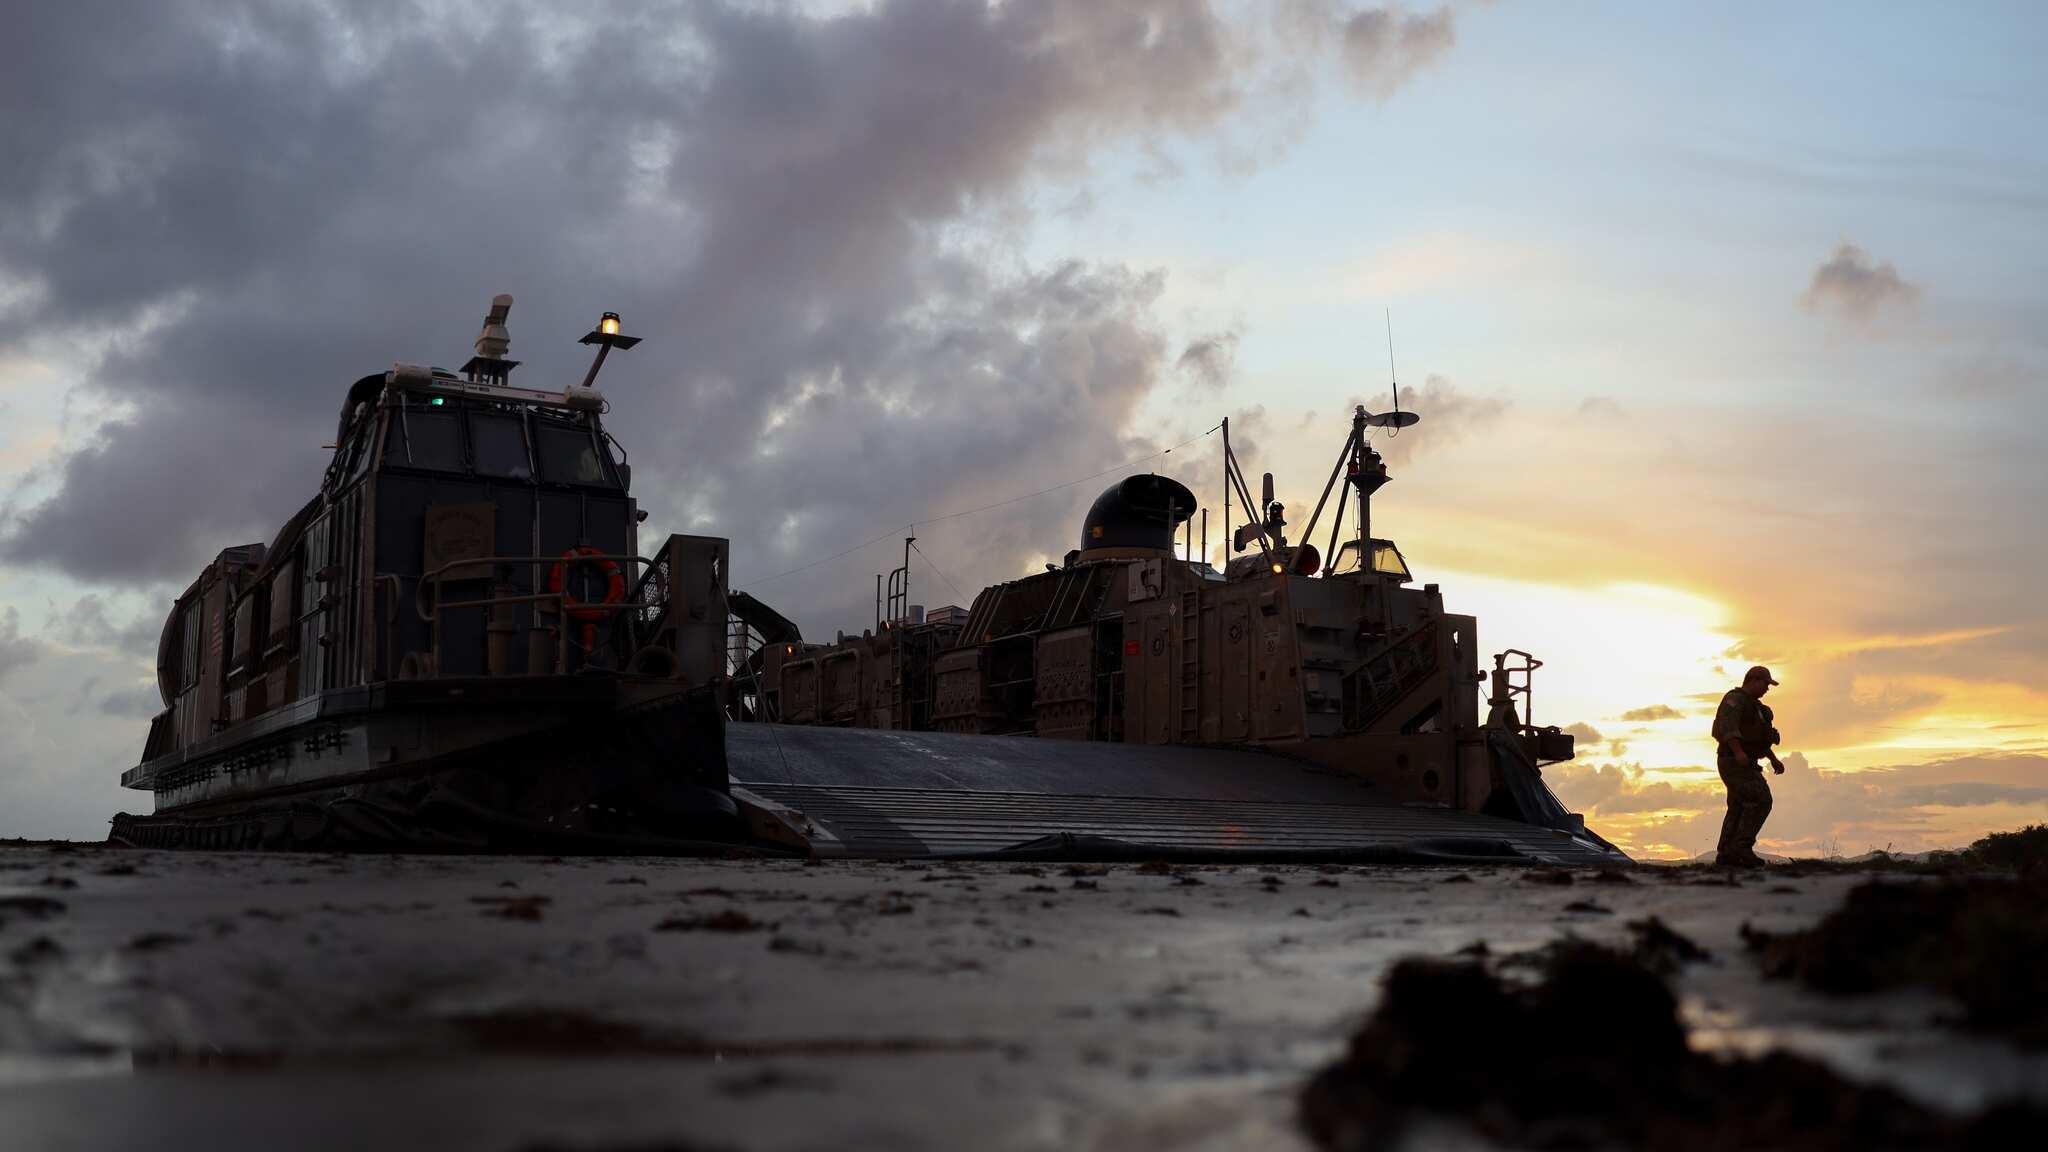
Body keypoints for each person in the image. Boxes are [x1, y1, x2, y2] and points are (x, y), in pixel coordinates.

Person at [1712, 665, 1783, 867]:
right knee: (1761, 799)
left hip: (1743, 760)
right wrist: (1738, 752)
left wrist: (1773, 758)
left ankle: (1727, 854)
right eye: (1765, 684)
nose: (1767, 689)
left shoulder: (1756, 707)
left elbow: (1757, 738)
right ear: (1753, 680)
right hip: (1734, 761)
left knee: (1738, 805)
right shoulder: (1735, 700)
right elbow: (1728, 727)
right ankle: (1741, 848)